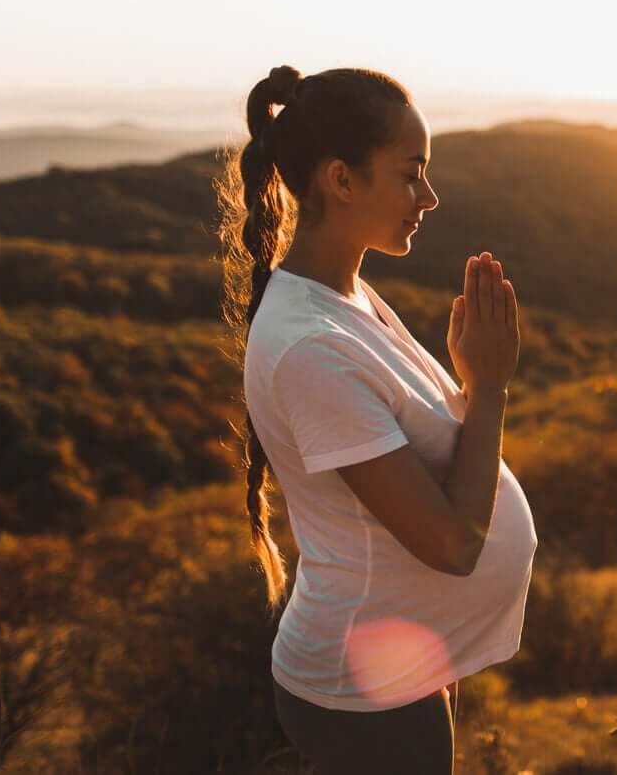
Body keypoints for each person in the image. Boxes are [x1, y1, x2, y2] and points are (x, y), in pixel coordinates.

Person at [215, 64, 538, 774]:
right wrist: (486, 389)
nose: (430, 196)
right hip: (363, 698)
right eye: (411, 173)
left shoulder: (345, 296)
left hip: (395, 667)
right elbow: (453, 547)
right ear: (341, 179)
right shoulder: (311, 346)